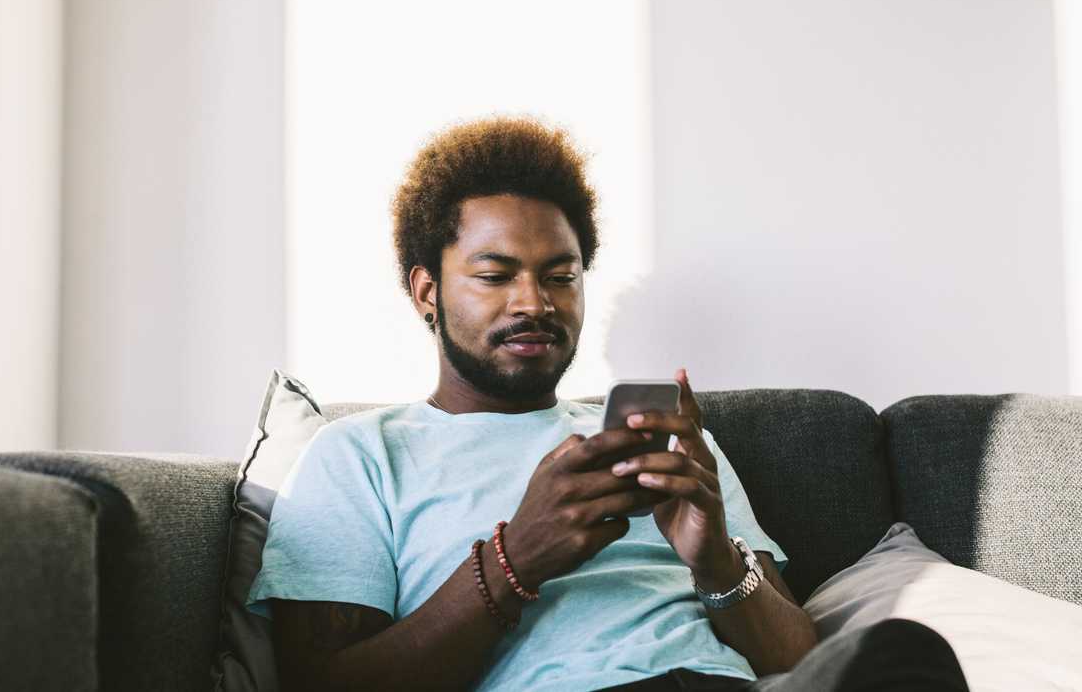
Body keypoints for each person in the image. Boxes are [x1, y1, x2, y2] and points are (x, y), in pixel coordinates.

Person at [245, 117, 969, 691]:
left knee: (905, 656)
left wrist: (714, 557)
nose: (534, 302)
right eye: (495, 275)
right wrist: (513, 557)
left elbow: (793, 654)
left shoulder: (669, 441)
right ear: (427, 291)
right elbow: (325, 680)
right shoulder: (357, 455)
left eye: (560, 275)